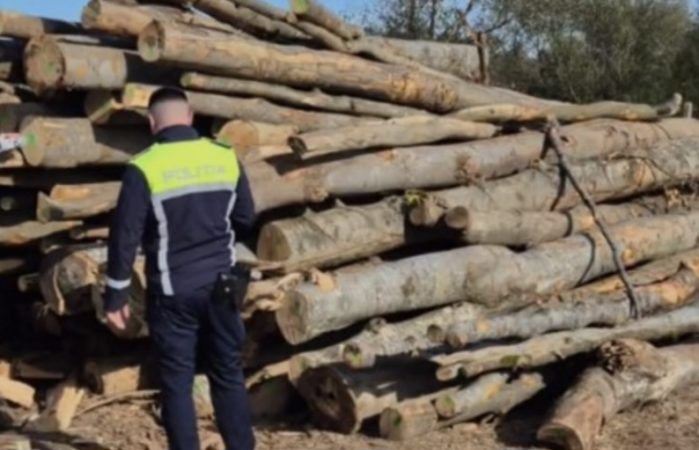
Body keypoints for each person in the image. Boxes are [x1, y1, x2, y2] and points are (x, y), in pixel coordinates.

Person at [103, 87, 256, 450]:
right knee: (228, 374)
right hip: (223, 286)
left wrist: (116, 295)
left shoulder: (143, 166)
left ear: (152, 123)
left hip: (173, 291)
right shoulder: (225, 156)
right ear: (189, 117)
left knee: (177, 383)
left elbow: (125, 235)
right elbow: (245, 217)